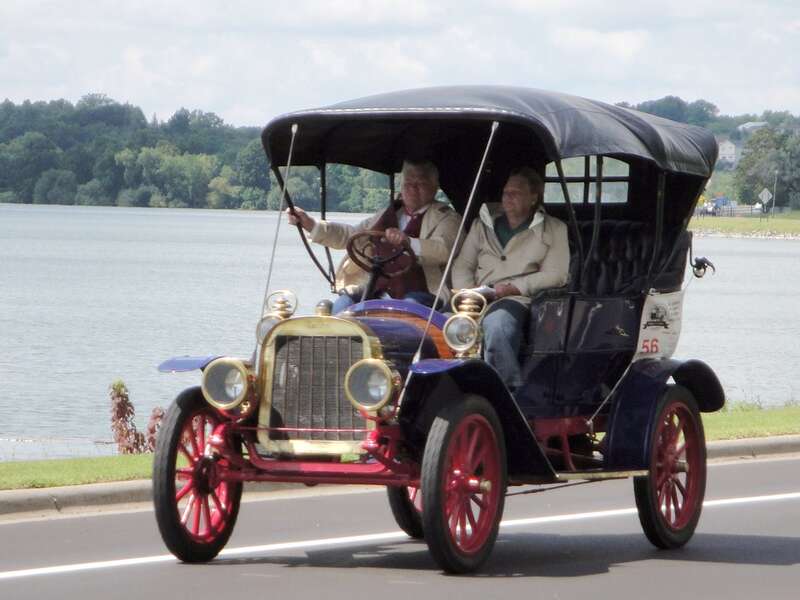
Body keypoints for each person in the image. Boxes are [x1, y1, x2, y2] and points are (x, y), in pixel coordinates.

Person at [287, 159, 460, 313]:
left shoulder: (446, 217)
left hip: (424, 291)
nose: (413, 189)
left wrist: (408, 242)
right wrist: (310, 225)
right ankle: (337, 342)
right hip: (376, 288)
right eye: (408, 183)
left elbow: (444, 249)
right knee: (343, 304)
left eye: (420, 183)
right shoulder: (388, 213)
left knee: (407, 308)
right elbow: (352, 235)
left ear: (434, 187)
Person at [452, 167, 569, 391]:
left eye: (516, 193)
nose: (508, 197)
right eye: (506, 192)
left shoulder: (554, 228)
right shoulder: (482, 224)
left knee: (497, 327)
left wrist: (515, 287)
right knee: (435, 325)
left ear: (534, 197)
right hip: (474, 298)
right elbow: (462, 265)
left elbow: (557, 273)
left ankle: (507, 393)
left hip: (518, 300)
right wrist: (467, 293)